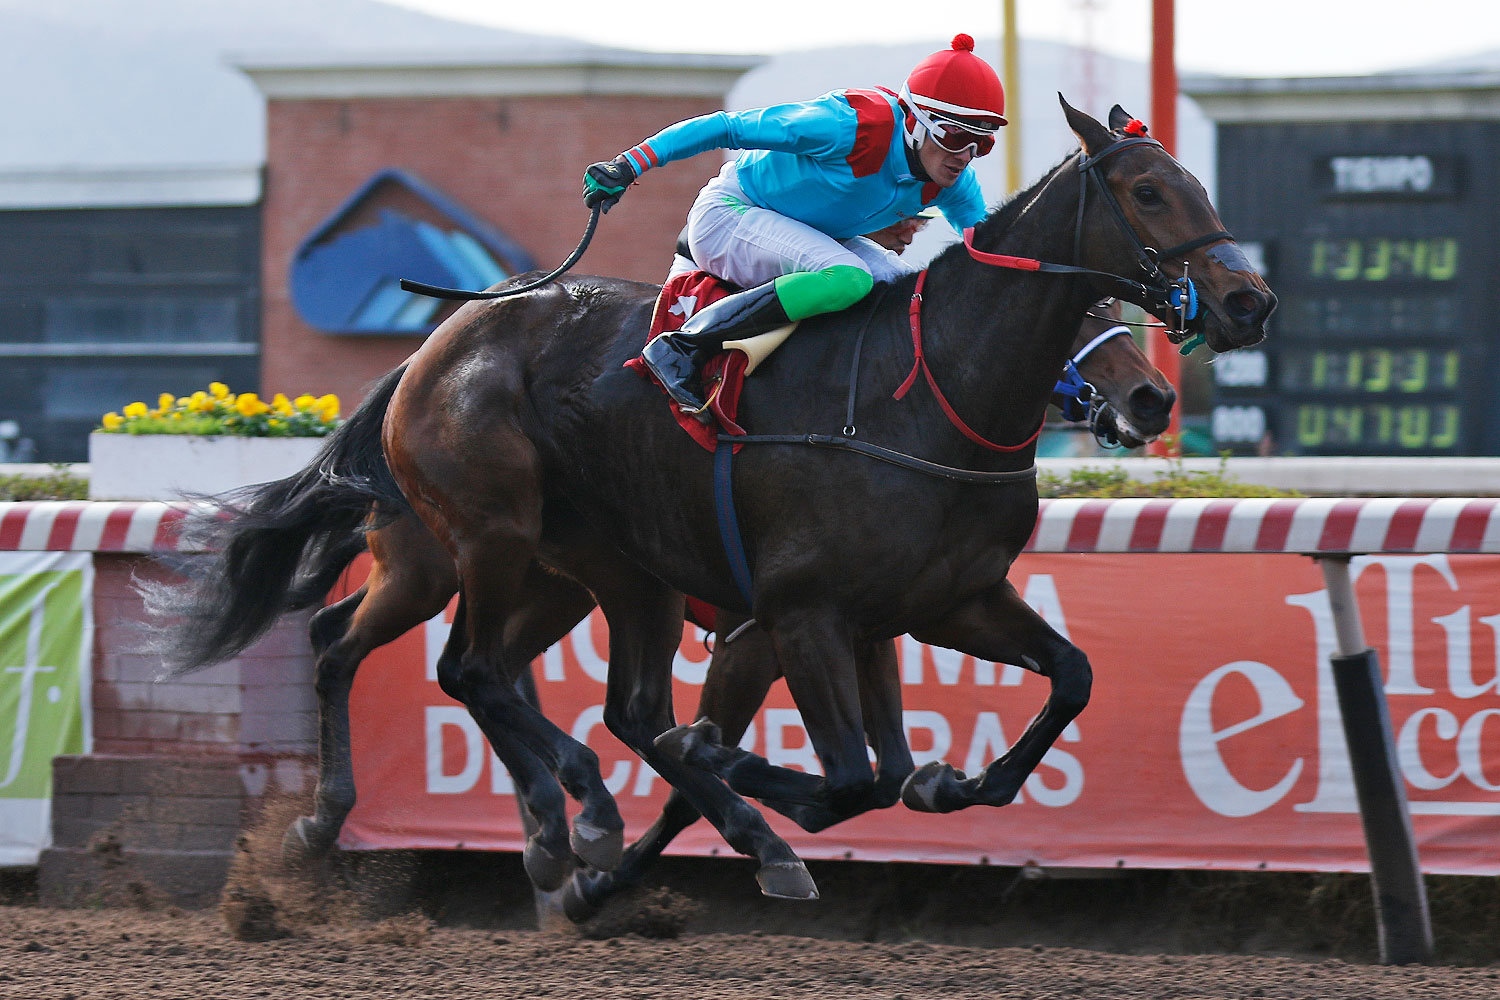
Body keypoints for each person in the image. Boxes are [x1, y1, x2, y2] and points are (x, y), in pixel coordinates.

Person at [583, 34, 1005, 411]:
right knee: (850, 278)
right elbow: (726, 127)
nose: (964, 156)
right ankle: (683, 345)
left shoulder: (954, 183)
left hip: (808, 233)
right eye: (955, 136)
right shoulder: (849, 125)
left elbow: (993, 258)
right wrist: (629, 164)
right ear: (913, 121)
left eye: (981, 143)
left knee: (912, 293)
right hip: (727, 214)